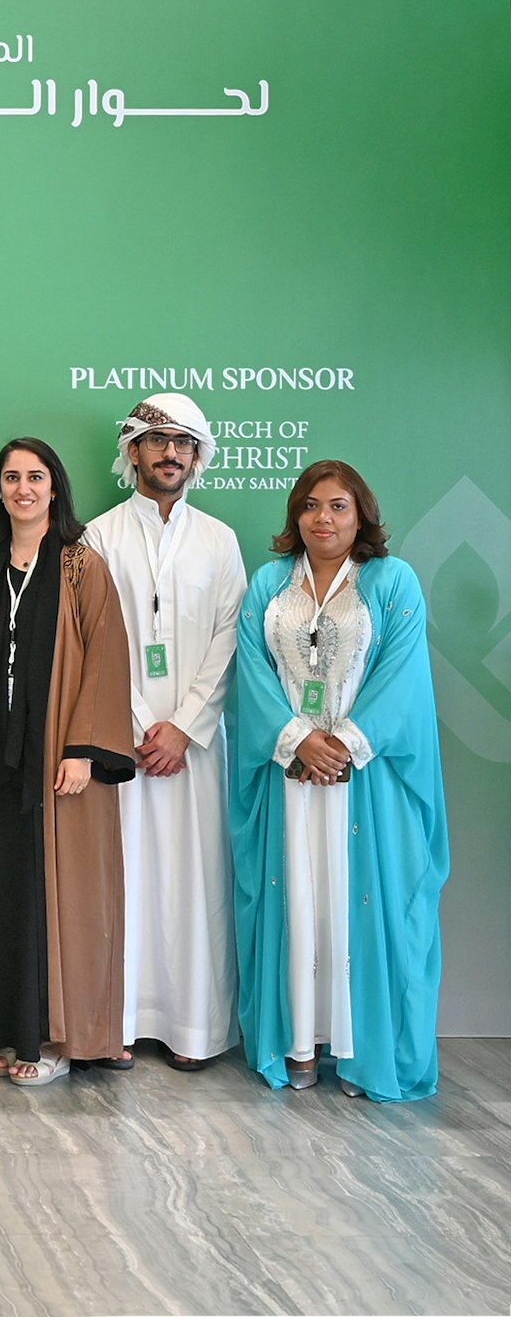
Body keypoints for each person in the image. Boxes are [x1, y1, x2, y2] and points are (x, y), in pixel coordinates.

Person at [232, 461, 449, 1102]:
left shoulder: (391, 579)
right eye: (310, 506)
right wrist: (298, 739)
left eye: (338, 507)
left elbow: (403, 674)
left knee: (360, 902)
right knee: (298, 899)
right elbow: (250, 665)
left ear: (362, 515)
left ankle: (360, 1050)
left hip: (364, 779)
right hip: (290, 772)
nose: (322, 519)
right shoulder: (271, 582)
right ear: (295, 516)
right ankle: (299, 1043)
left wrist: (345, 746)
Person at [0, 437, 135, 1087]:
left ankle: (58, 1039)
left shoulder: (82, 566)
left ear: (54, 488)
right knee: (1, 894)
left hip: (58, 762)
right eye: (11, 478)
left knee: (61, 898)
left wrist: (84, 749)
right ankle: (7, 1029)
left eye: (35, 477)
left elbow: (108, 659)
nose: (23, 488)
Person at [84, 395, 247, 1071]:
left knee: (192, 882)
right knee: (123, 877)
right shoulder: (98, 535)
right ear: (132, 453)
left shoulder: (220, 539)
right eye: (155, 441)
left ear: (198, 454)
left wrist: (182, 727)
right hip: (120, 743)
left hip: (193, 748)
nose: (168, 452)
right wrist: (134, 723)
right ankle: (115, 1022)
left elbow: (232, 638)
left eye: (182, 441)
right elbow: (93, 639)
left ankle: (194, 1029)